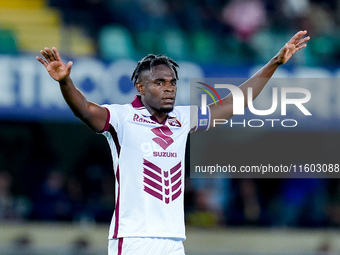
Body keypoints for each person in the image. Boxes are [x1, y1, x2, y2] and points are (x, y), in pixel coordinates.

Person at [36, 30, 310, 255]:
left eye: (173, 82)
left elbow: (234, 103)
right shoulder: (122, 117)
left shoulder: (183, 118)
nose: (169, 88)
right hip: (133, 240)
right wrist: (65, 83)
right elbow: (85, 109)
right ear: (141, 88)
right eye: (159, 82)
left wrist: (274, 62)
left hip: (173, 241)